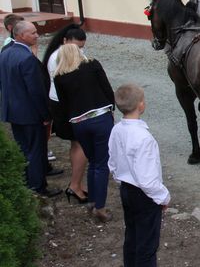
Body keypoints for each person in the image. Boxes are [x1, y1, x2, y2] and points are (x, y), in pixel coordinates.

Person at [108, 83, 179, 267]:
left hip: (127, 190)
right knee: (147, 246)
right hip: (144, 194)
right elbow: (148, 180)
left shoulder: (117, 130)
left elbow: (112, 160)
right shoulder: (143, 138)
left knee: (132, 238)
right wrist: (163, 197)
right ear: (141, 105)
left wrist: (121, 181)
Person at [54, 44, 115, 220]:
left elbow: (63, 105)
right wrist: (111, 109)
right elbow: (107, 88)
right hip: (100, 118)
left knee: (93, 162)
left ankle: (92, 201)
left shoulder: (59, 77)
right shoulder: (92, 65)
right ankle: (100, 208)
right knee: (102, 164)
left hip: (79, 123)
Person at [0, 21, 59, 196]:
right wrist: (46, 115)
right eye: (32, 33)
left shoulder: (6, 53)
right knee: (35, 150)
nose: (37, 35)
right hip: (30, 113)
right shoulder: (27, 58)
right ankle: (38, 186)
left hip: (13, 111)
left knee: (24, 148)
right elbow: (36, 91)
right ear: (20, 35)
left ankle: (28, 182)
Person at [43, 24, 90, 203]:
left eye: (81, 47)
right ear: (65, 41)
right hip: (67, 105)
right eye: (76, 46)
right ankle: (75, 185)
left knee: (78, 144)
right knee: (80, 144)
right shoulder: (58, 57)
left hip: (69, 103)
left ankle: (76, 183)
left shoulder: (64, 53)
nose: (79, 50)